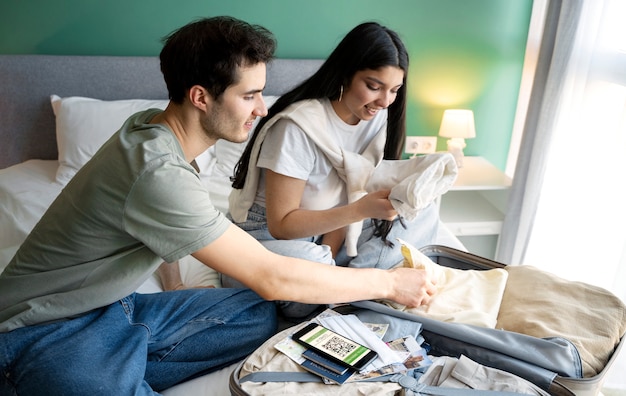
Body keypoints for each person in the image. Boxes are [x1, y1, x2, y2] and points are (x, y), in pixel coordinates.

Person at [0, 16, 436, 395]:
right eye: (249, 96)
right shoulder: (156, 170)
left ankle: (119, 362)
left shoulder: (153, 130)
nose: (262, 110)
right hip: (46, 330)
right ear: (200, 97)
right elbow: (270, 275)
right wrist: (391, 285)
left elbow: (151, 229)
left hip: (118, 308)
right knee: (269, 295)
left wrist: (175, 289)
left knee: (256, 315)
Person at [229, 22, 441, 273]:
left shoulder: (376, 119)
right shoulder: (297, 127)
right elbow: (282, 226)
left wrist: (331, 253)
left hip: (329, 228)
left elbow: (349, 193)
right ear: (345, 74)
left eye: (394, 90)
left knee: (422, 209)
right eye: (373, 87)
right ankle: (359, 283)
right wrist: (357, 212)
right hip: (272, 236)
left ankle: (347, 285)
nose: (384, 101)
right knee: (312, 264)